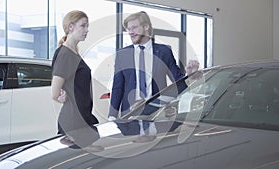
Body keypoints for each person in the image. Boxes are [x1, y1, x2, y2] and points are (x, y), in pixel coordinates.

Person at [108, 11, 199, 135]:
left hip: (157, 115)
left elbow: (177, 82)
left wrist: (189, 75)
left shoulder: (164, 51)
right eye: (128, 29)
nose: (130, 32)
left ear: (146, 27)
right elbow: (118, 86)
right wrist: (112, 116)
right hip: (129, 115)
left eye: (134, 27)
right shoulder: (122, 54)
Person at [51, 10, 101, 150]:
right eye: (83, 26)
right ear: (71, 26)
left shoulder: (74, 53)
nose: (87, 30)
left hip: (83, 118)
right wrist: (61, 97)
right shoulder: (65, 54)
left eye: (87, 26)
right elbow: (54, 93)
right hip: (73, 122)